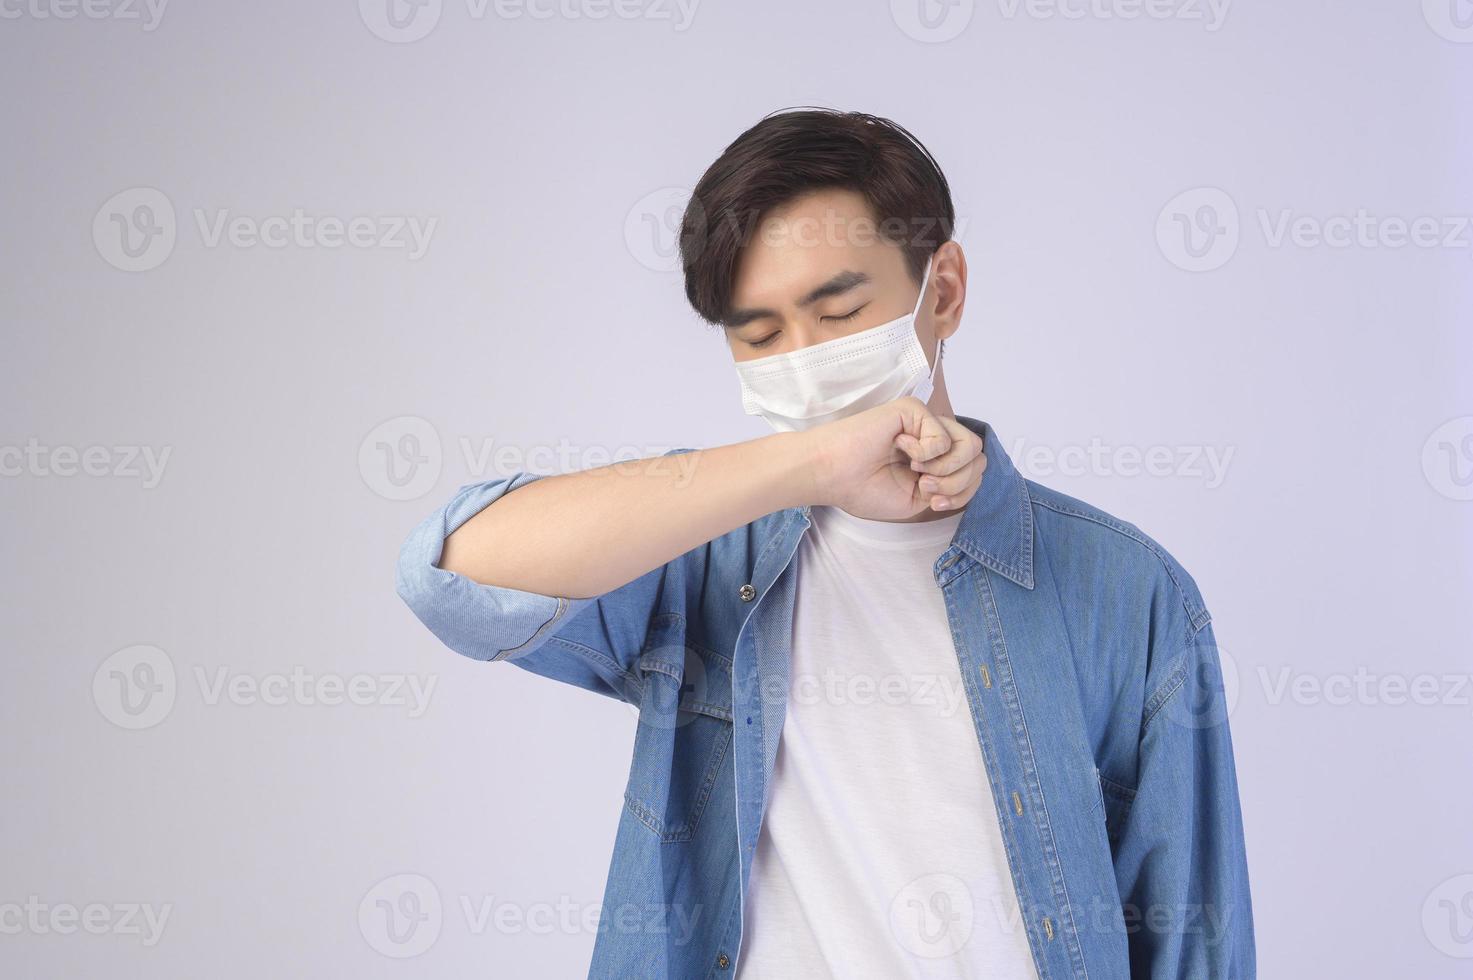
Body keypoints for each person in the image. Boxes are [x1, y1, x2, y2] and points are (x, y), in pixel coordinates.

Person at [396, 107, 1255, 979]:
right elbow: (452, 574)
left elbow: (1195, 942)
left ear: (943, 292)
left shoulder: (1126, 592)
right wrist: (810, 462)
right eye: (760, 336)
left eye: (839, 312)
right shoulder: (703, 551)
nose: (800, 360)